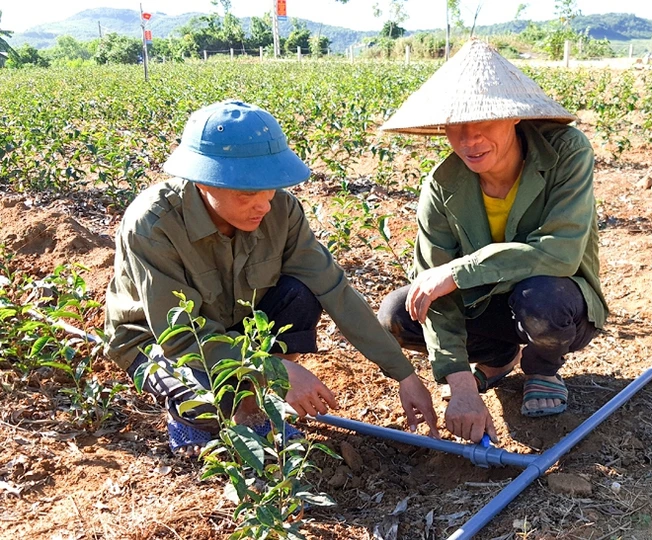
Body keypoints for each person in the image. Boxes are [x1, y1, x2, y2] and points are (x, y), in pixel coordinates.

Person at [104, 100, 438, 455]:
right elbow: (181, 336)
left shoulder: (281, 210)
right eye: (248, 193)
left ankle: (255, 398)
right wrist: (273, 368)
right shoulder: (154, 224)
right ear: (204, 183)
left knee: (301, 294)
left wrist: (403, 373)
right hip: (157, 340)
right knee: (204, 405)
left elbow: (334, 291)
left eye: (270, 188)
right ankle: (212, 413)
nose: (264, 205)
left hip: (238, 325)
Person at [377, 40, 608, 444]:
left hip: (555, 298)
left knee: (541, 301)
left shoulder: (566, 152)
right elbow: (435, 289)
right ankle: (497, 358)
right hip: (485, 304)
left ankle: (542, 367)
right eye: (456, 126)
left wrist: (457, 271)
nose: (469, 140)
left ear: (515, 117)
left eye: (484, 122)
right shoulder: (443, 184)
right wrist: (461, 383)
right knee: (400, 312)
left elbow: (560, 252)